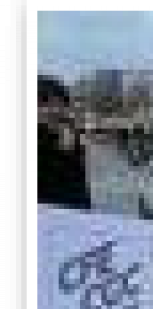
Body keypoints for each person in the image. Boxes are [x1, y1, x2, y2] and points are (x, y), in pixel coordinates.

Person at [38, 75, 91, 210]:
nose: (55, 109)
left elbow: (79, 193)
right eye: (44, 102)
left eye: (61, 103)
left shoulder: (71, 136)